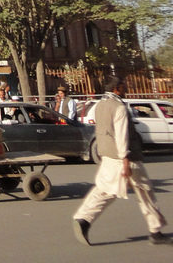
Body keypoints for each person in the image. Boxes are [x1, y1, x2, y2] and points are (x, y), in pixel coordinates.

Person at [73, 76, 172, 246]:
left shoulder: (100, 105)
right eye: (123, 87)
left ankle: (83, 218)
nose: (125, 89)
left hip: (108, 156)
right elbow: (121, 135)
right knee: (145, 192)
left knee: (105, 190)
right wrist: (125, 159)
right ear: (117, 88)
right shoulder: (118, 107)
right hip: (126, 158)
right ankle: (155, 231)